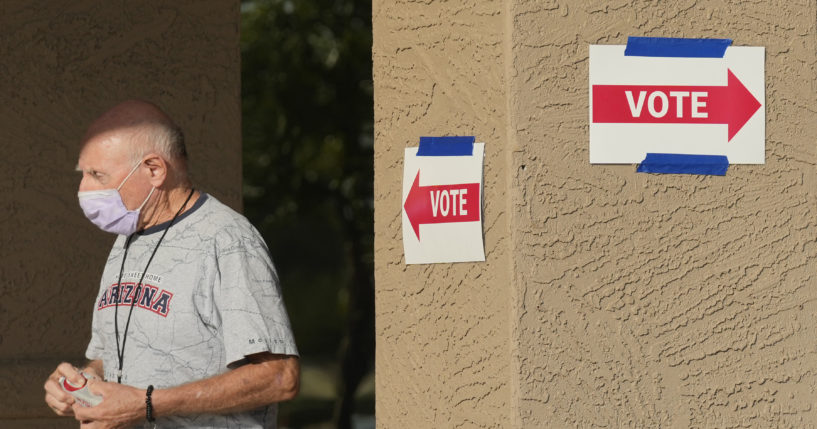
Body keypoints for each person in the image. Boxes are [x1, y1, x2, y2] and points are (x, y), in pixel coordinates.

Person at [43, 100, 300, 428]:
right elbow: (113, 358)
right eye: (84, 174)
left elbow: (280, 377)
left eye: (97, 175)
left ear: (154, 170)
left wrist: (146, 403)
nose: (84, 189)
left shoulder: (227, 240)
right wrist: (82, 381)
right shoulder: (128, 238)